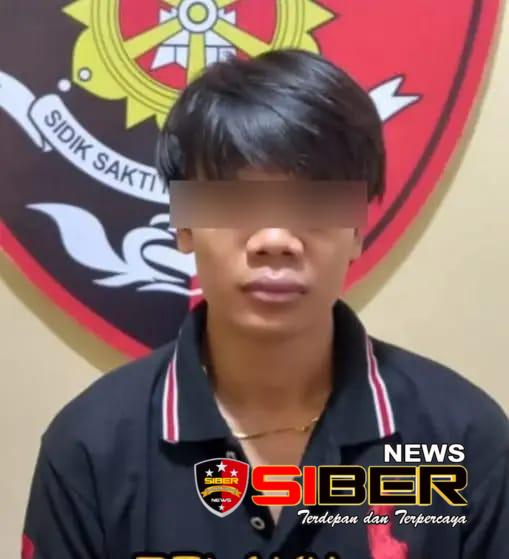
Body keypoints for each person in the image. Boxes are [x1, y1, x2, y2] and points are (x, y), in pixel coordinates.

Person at [22, 49, 508, 559]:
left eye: (314, 201)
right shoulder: (91, 447)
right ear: (183, 224)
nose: (275, 240)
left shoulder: (462, 438)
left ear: (358, 228)